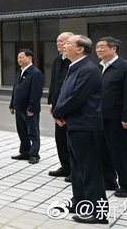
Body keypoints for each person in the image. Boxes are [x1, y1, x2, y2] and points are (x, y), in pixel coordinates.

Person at [52, 35, 107, 224]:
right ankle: (80, 202)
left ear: (80, 49)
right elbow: (64, 94)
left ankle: (98, 212)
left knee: (90, 169)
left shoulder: (88, 70)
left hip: (86, 125)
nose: (64, 46)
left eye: (68, 44)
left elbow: (77, 98)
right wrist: (60, 113)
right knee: (76, 168)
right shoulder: (74, 67)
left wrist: (59, 113)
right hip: (74, 124)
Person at [95, 36, 127, 198]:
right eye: (97, 47)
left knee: (120, 153)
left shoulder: (126, 68)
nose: (98, 50)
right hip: (100, 117)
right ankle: (109, 181)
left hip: (117, 119)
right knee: (103, 152)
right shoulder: (99, 68)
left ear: (113, 49)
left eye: (102, 47)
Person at [9, 49, 44, 164]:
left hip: (29, 109)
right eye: (18, 58)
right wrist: (12, 104)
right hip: (19, 107)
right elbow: (15, 89)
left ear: (29, 58)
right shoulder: (19, 72)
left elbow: (36, 92)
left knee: (33, 132)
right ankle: (24, 152)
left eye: (21, 57)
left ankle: (34, 154)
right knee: (22, 131)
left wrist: (32, 107)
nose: (19, 60)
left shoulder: (35, 73)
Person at [47, 32, 73, 178]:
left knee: (70, 139)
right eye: (57, 41)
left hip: (69, 107)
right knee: (60, 138)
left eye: (61, 41)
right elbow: (53, 83)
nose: (58, 44)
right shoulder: (58, 61)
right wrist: (52, 102)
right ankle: (65, 166)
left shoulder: (74, 62)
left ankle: (73, 169)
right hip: (57, 106)